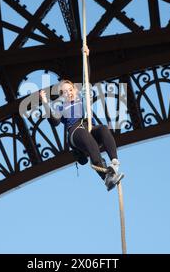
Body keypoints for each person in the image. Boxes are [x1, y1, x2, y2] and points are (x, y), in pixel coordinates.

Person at [39, 48, 124, 191]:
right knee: (87, 138)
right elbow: (54, 122)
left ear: (75, 90)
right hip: (75, 132)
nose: (68, 93)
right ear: (62, 95)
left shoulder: (81, 99)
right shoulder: (61, 107)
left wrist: (87, 57)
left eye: (70, 89)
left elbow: (87, 76)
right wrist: (45, 103)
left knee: (103, 129)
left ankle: (114, 162)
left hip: (87, 128)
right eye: (65, 92)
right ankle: (106, 177)